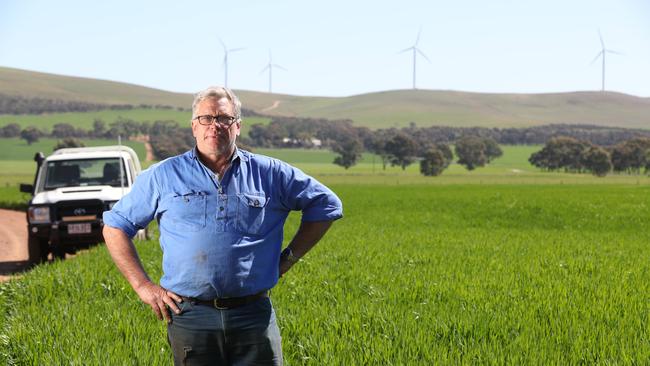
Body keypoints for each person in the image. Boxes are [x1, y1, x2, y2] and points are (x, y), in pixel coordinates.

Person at [102, 86, 343, 365]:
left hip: (253, 315)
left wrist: (288, 258)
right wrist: (143, 286)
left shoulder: (271, 173)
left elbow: (327, 205)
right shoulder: (163, 175)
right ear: (194, 126)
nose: (215, 125)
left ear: (237, 126)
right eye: (206, 118)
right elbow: (115, 226)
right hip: (190, 316)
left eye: (224, 118)